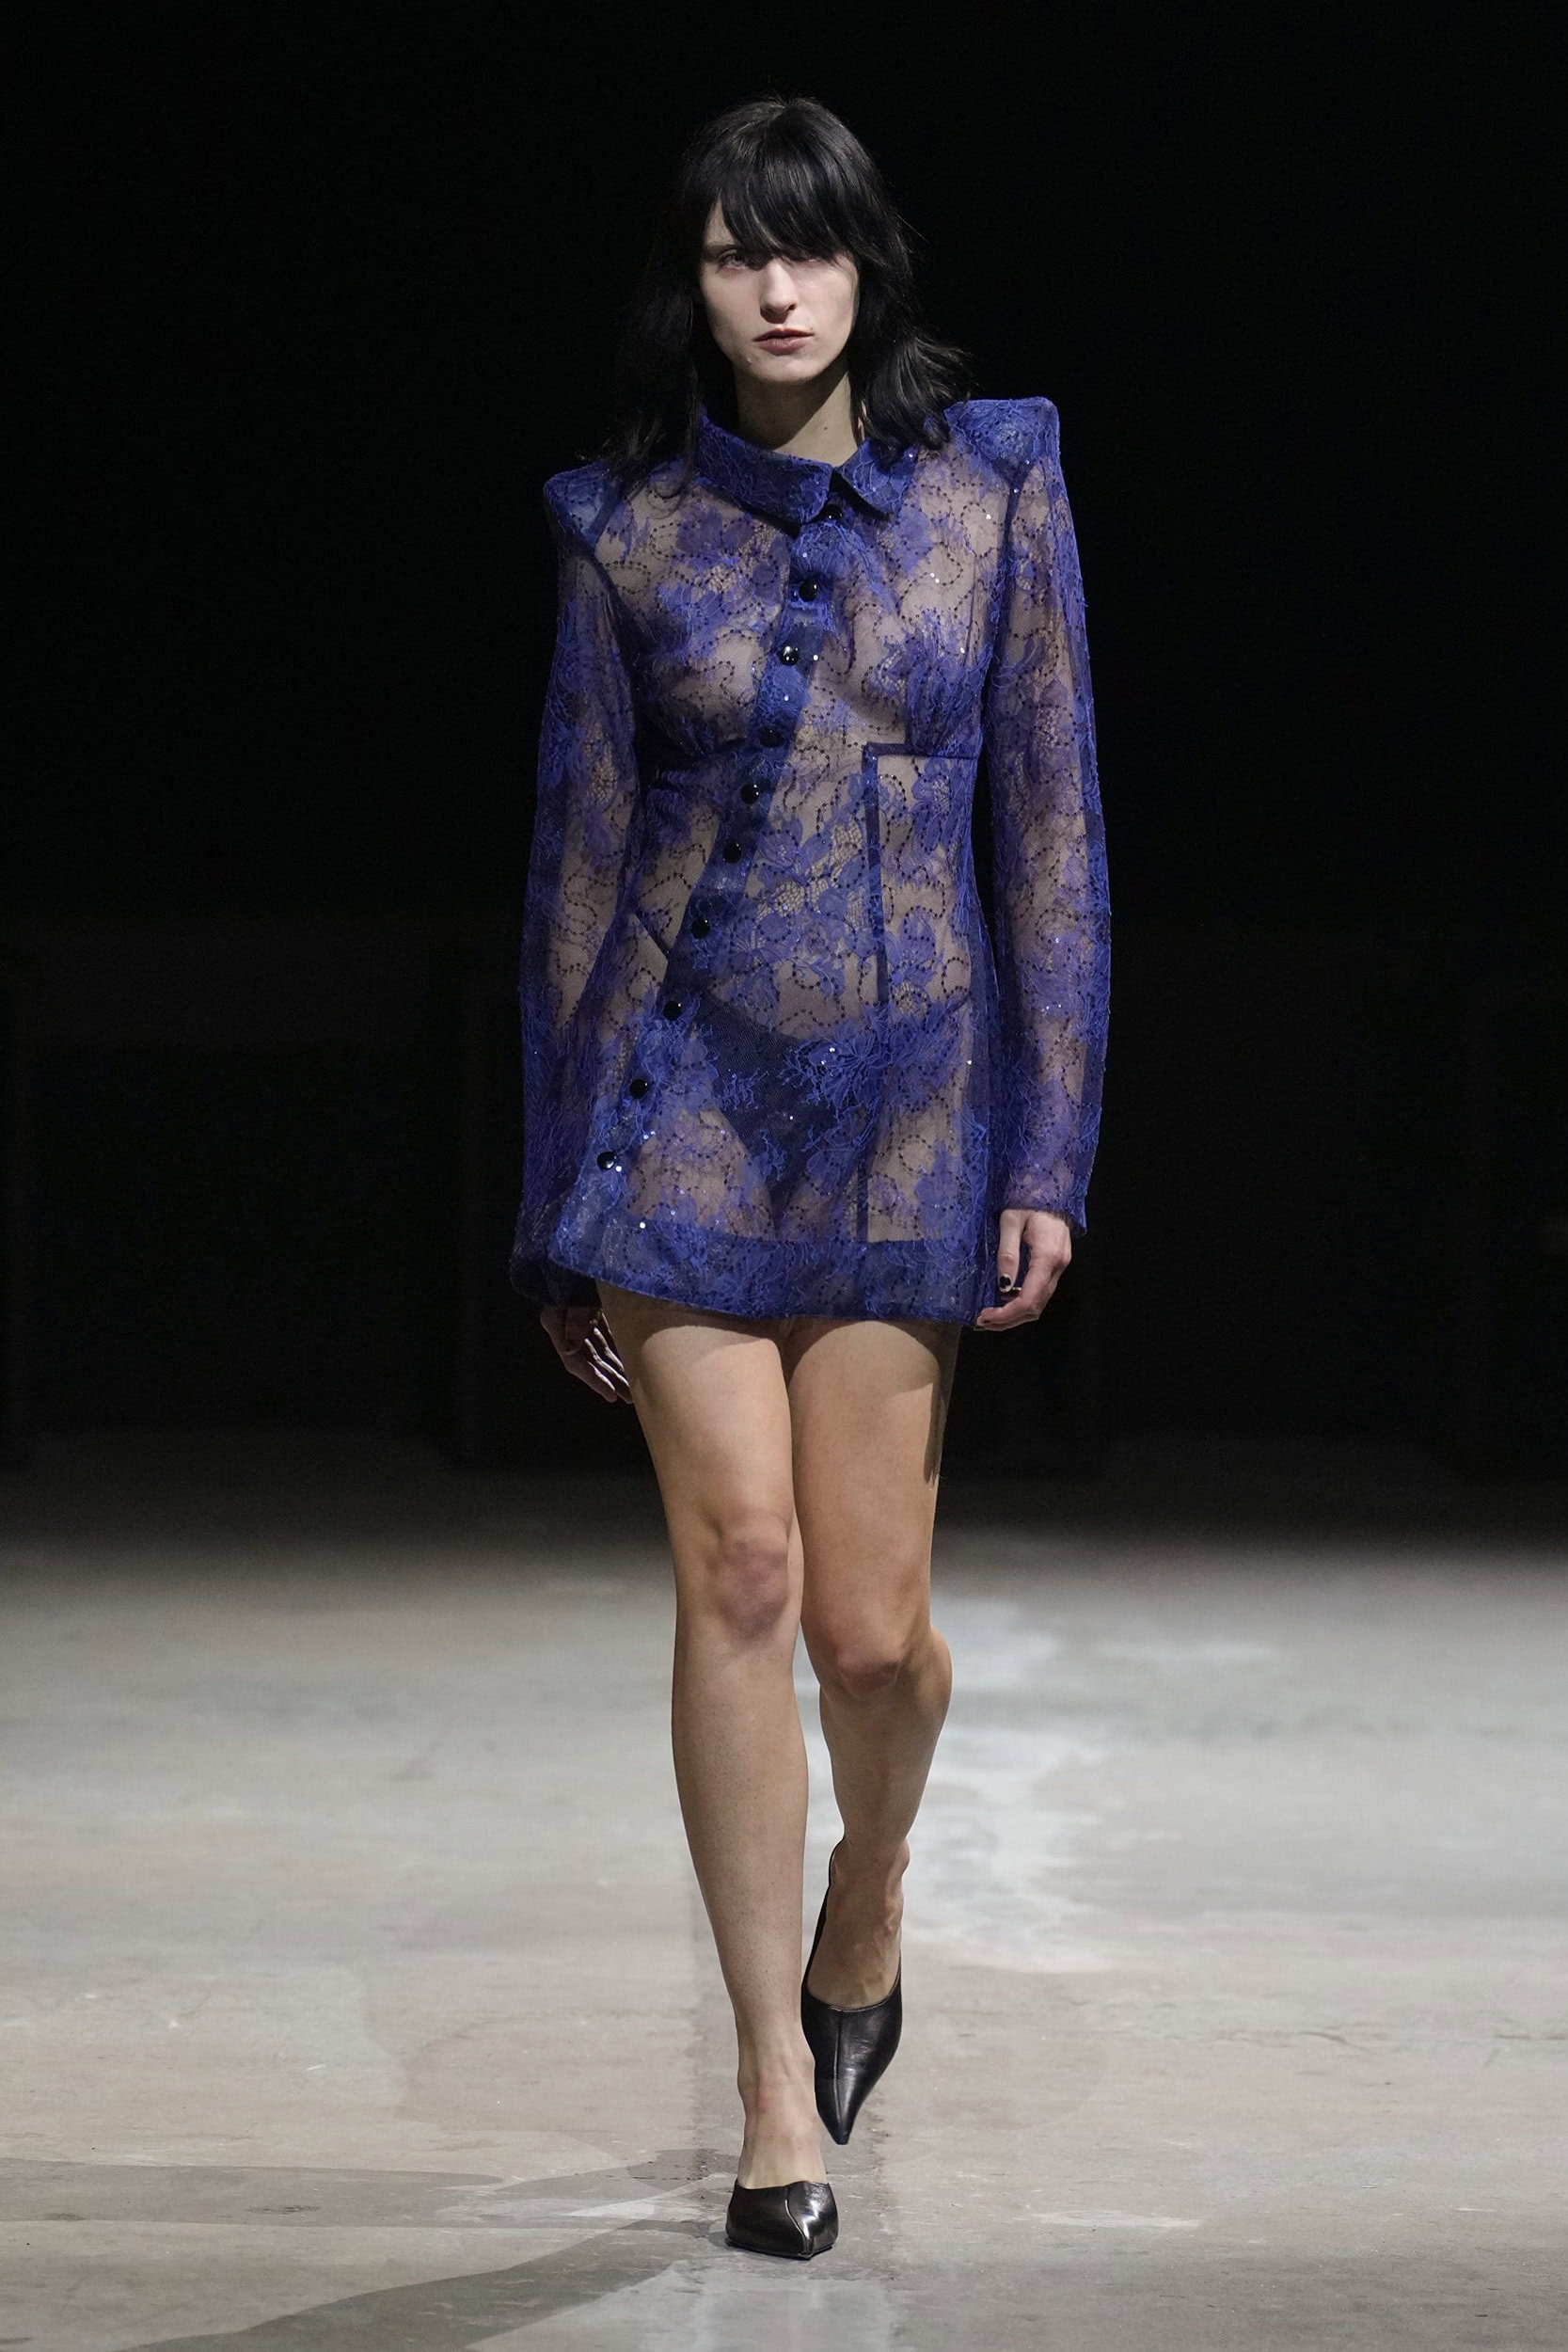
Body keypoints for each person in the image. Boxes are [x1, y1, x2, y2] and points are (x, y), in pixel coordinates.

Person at [511, 95, 1109, 2260]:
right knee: (745, 1571)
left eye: (811, 247)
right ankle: (776, 2081)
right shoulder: (621, 529)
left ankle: (873, 1891)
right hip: (679, 1106)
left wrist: (1051, 1140)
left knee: (872, 1638)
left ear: (869, 267)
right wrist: (553, 1197)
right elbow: (579, 876)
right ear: (686, 285)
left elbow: (1053, 829)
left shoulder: (995, 483)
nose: (776, 288)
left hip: (917, 1114)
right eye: (732, 253)